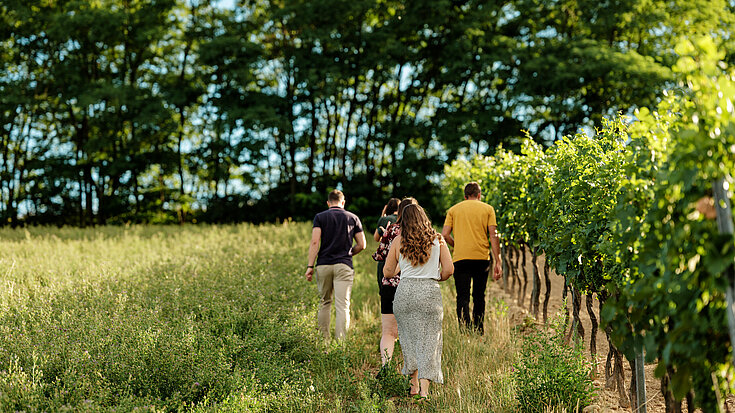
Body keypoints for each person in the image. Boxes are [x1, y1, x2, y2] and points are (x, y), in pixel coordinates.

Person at [384, 203, 453, 400]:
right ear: (424, 218)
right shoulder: (438, 239)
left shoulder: (398, 241)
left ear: (403, 221)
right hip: (429, 292)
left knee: (409, 339)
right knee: (429, 342)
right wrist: (436, 277)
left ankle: (413, 387)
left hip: (405, 292)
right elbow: (449, 270)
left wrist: (402, 269)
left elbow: (387, 272)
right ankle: (424, 392)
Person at [305, 189, 366, 341]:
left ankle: (324, 342)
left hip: (324, 265)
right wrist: (349, 253)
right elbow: (362, 244)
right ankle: (340, 344)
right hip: (344, 266)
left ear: (328, 202)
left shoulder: (320, 217)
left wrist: (310, 266)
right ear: (343, 202)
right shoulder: (353, 218)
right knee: (342, 306)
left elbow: (314, 242)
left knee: (324, 302)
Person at [441, 182, 501, 335]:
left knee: (462, 295)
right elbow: (493, 235)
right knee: (479, 296)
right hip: (481, 258)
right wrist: (498, 260)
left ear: (465, 196)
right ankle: (479, 330)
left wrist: (457, 244)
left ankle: (465, 331)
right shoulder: (488, 209)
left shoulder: (453, 210)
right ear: (479, 195)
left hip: (460, 258)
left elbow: (445, 235)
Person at [372, 197, 417, 366]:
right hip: (413, 285)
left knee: (389, 332)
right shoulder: (424, 232)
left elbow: (379, 254)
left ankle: (386, 368)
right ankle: (413, 374)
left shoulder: (392, 230)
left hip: (391, 284)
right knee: (411, 333)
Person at [373, 198, 400, 289]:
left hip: (386, 259)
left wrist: (382, 217)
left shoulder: (385, 219)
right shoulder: (404, 219)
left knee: (384, 291)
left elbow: (376, 238)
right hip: (400, 261)